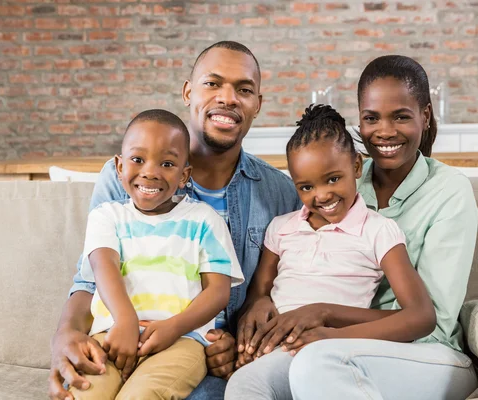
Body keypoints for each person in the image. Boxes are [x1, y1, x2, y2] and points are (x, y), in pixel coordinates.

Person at [48, 42, 301, 400]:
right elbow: (90, 277)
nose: (228, 98)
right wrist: (64, 337)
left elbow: (280, 287)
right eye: (212, 84)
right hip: (121, 339)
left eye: (243, 90)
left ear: (257, 103)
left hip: (199, 354)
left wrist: (242, 329)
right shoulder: (121, 178)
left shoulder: (280, 192)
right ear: (188, 92)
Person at [239, 55, 478, 400]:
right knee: (254, 380)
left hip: (426, 353)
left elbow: (431, 322)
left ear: (425, 116)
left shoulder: (449, 191)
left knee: (317, 362)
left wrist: (325, 321)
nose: (384, 131)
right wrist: (265, 307)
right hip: (337, 349)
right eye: (371, 118)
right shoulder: (340, 183)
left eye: (401, 116)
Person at [224, 104, 436, 400]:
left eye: (333, 179)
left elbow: (421, 317)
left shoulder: (377, 230)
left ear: (357, 167)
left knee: (250, 385)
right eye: (306, 186)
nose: (321, 195)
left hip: (332, 350)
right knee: (244, 383)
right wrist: (257, 305)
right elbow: (259, 293)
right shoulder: (281, 228)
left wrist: (328, 324)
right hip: (277, 352)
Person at [68, 109, 244, 399]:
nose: (150, 172)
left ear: (184, 175)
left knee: (142, 395)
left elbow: (218, 291)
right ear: (119, 166)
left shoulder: (204, 220)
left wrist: (173, 327)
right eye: (138, 160)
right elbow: (104, 266)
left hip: (181, 340)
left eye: (167, 163)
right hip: (111, 335)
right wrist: (125, 321)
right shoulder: (107, 216)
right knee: (85, 394)